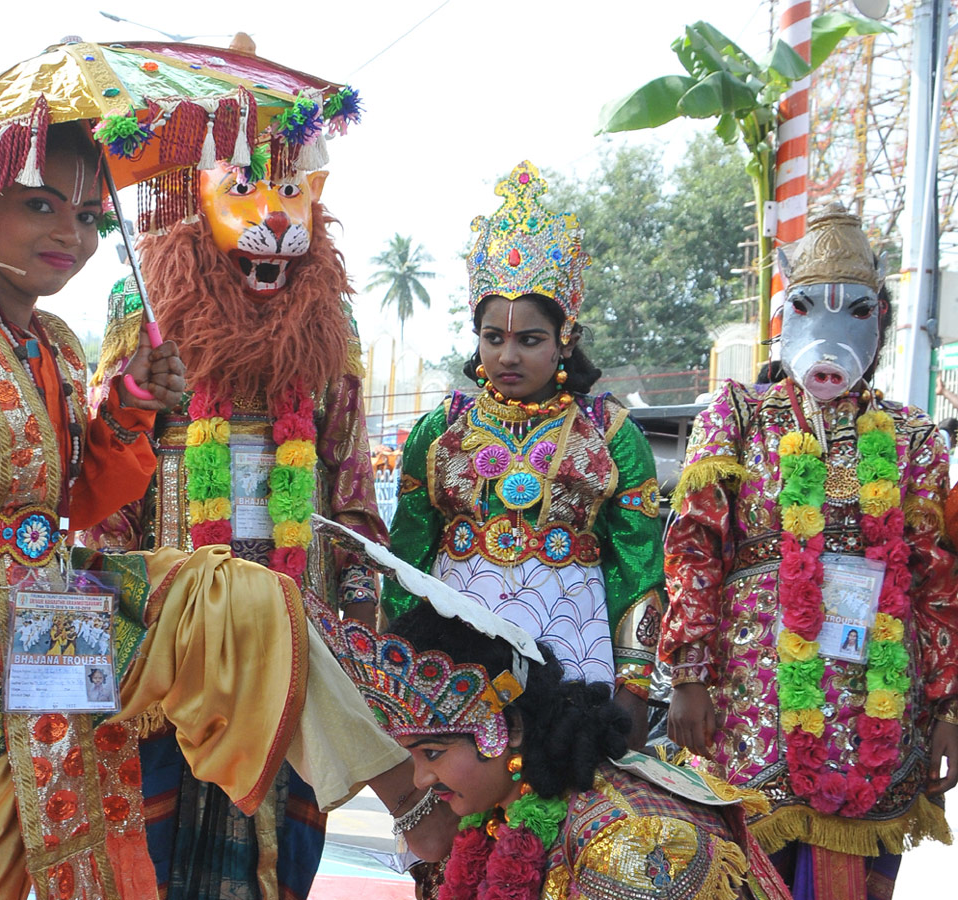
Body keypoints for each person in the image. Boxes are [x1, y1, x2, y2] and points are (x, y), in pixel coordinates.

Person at [0, 120, 443, 900]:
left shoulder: (48, 341)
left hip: (55, 626)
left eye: (91, 216)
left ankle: (405, 790)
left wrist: (127, 411)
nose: (75, 236)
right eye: (41, 207)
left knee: (242, 604)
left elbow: (73, 501)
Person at [83, 154, 392, 894]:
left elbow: (349, 478)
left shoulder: (329, 315)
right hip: (173, 617)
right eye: (245, 188)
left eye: (290, 191)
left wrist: (356, 604)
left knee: (288, 817)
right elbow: (112, 467)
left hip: (296, 616)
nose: (272, 216)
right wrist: (114, 606)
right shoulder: (144, 299)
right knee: (155, 804)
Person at [661, 205, 958, 899]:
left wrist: (949, 710)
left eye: (855, 312)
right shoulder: (735, 416)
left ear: (879, 322)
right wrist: (688, 674)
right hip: (749, 699)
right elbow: (694, 546)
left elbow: (938, 583)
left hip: (875, 705)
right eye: (809, 306)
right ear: (785, 315)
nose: (832, 332)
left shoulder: (914, 439)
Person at [382, 162, 664, 749]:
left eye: (529, 339)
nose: (507, 355)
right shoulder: (440, 430)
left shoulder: (609, 434)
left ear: (564, 338)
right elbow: (407, 558)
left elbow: (640, 569)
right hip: (453, 651)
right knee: (454, 796)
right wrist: (397, 663)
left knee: (556, 809)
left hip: (573, 642)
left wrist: (634, 688)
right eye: (493, 336)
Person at [319, 601, 792, 900]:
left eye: (434, 752)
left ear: (512, 728)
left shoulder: (626, 844)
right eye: (413, 757)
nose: (420, 778)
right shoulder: (499, 811)